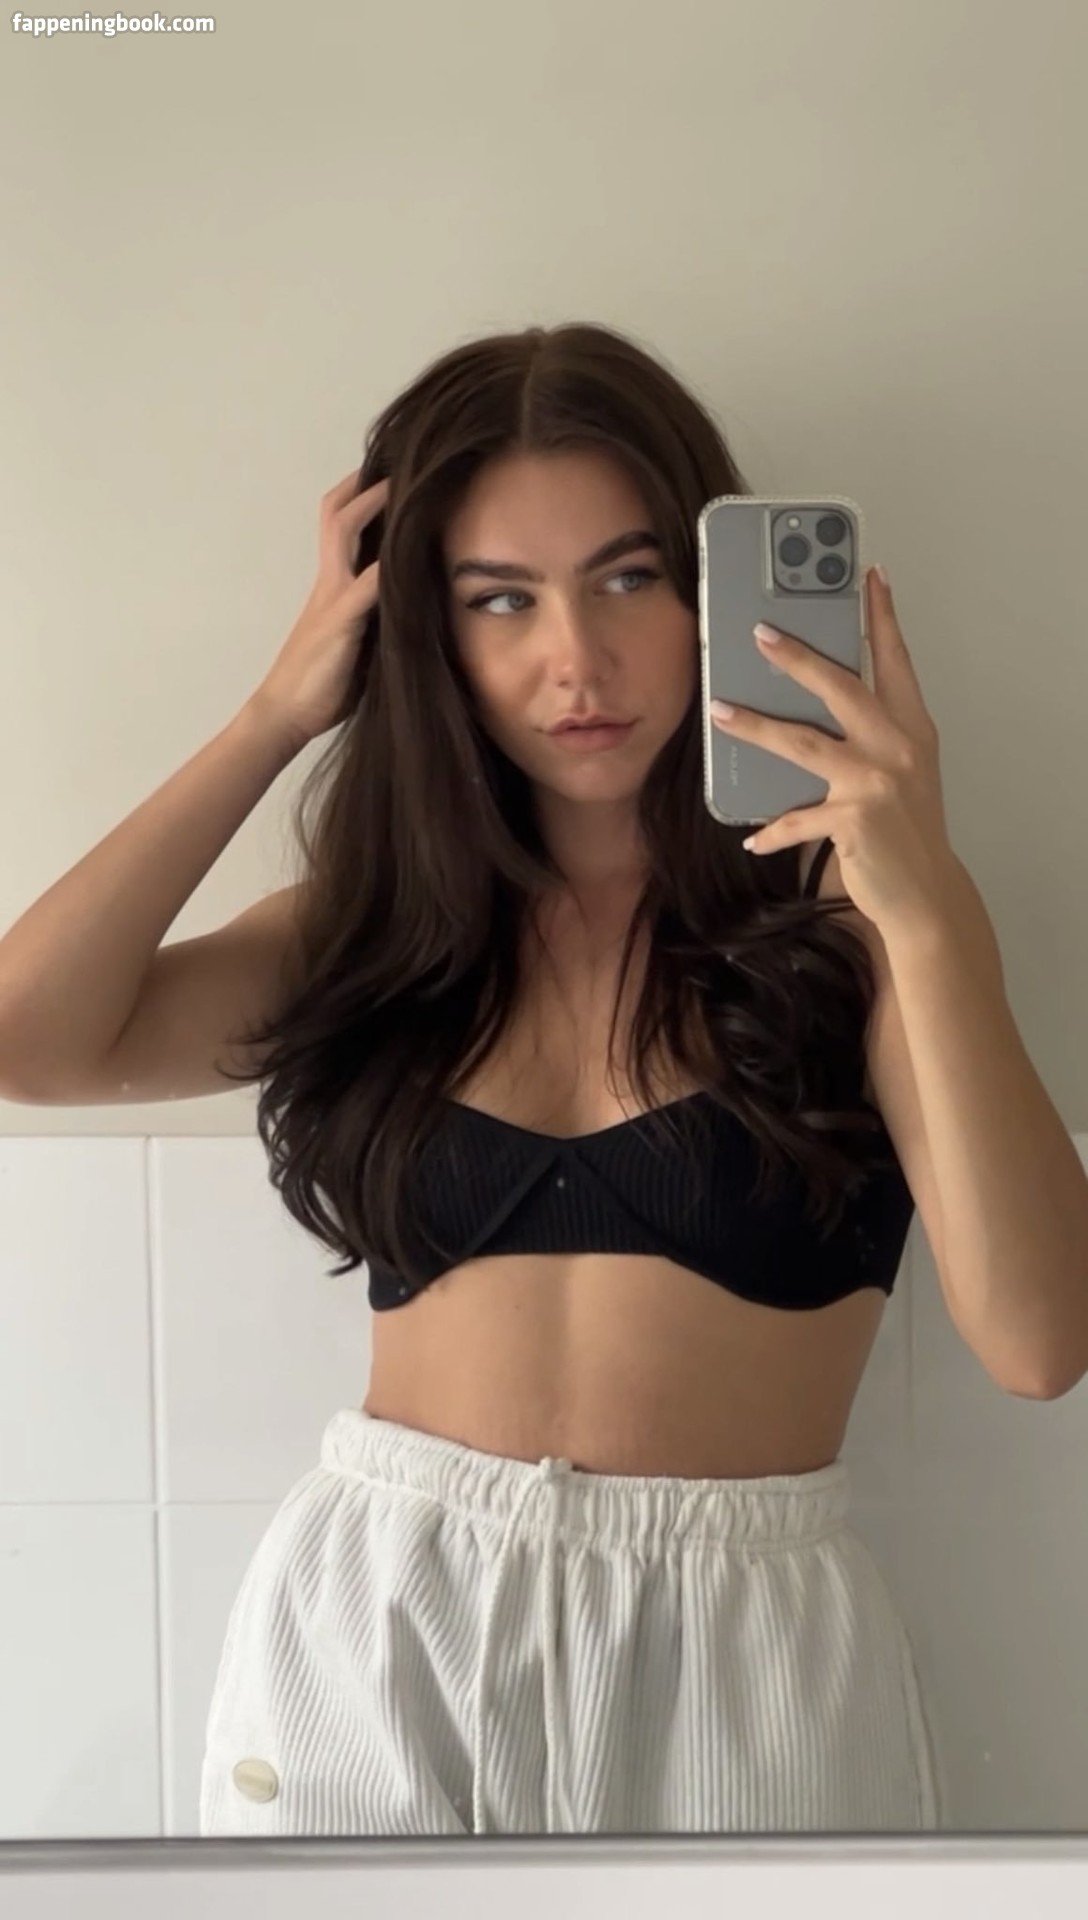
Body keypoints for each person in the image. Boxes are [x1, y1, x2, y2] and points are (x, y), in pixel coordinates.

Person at [0, 321, 944, 1836]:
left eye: (629, 578)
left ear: (712, 594)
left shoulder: (852, 933)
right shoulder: (378, 936)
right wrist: (275, 714)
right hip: (384, 1624)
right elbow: (27, 1042)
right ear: (421, 634)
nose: (575, 660)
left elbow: (1043, 1341)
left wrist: (926, 893)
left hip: (740, 1654)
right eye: (500, 598)